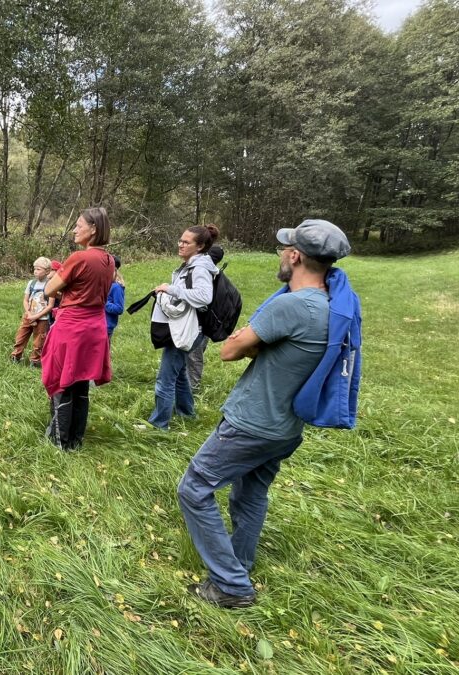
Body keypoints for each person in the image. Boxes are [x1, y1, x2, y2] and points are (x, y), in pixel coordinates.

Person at [178, 219, 351, 609]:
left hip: (252, 423)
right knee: (251, 494)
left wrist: (251, 342)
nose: (281, 254)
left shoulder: (292, 305)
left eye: (284, 248)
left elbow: (229, 350)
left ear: (295, 256)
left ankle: (231, 585)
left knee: (193, 489)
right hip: (284, 428)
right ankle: (239, 563)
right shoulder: (332, 306)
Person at [40, 208, 115, 451]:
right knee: (81, 383)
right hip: (95, 328)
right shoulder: (109, 261)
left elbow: (48, 289)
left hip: (72, 327)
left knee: (62, 382)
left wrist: (65, 288)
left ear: (93, 229)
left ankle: (59, 441)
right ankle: (75, 439)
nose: (74, 230)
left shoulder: (80, 258)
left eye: (78, 225)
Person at [147, 225, 221, 430]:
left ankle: (158, 425)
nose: (180, 244)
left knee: (165, 379)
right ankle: (187, 413)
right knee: (179, 373)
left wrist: (170, 289)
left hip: (188, 330)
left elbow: (204, 297)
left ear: (200, 246)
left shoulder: (199, 268)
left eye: (186, 242)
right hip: (187, 328)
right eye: (180, 240)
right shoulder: (192, 265)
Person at [186, 244, 224, 391]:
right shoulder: (215, 273)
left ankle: (193, 389)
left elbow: (202, 299)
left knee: (194, 356)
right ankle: (188, 385)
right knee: (194, 354)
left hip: (200, 321)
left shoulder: (203, 273)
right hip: (209, 321)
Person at [9, 257, 54, 367]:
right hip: (28, 317)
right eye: (34, 269)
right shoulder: (31, 283)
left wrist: (36, 316)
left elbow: (50, 305)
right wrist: (29, 314)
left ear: (47, 271)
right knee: (20, 337)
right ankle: (16, 356)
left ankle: (34, 361)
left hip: (42, 319)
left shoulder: (51, 285)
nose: (35, 271)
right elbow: (25, 300)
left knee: (39, 342)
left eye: (39, 269)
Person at [105, 255, 125, 339]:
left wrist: (104, 303)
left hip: (107, 327)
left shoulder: (116, 287)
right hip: (98, 325)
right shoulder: (105, 285)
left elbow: (119, 308)